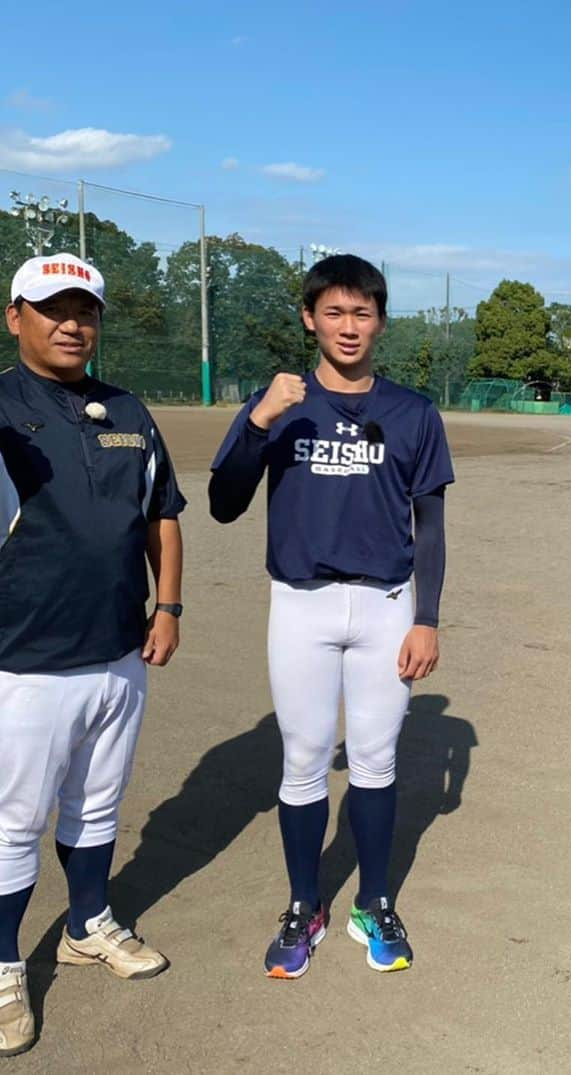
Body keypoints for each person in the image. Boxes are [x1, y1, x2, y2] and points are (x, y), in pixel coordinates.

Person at [208, 254, 453, 980]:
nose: (350, 327)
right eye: (335, 312)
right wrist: (259, 421)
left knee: (376, 759)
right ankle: (303, 903)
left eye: (364, 312)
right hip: (301, 604)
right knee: (305, 758)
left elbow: (430, 522)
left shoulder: (412, 411)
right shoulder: (279, 401)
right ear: (310, 318)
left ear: (380, 320)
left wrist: (427, 617)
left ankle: (372, 902)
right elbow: (223, 503)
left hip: (385, 606)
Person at [0, 254, 186, 1056]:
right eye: (52, 308)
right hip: (24, 659)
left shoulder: (128, 410)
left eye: (86, 310)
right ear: (15, 316)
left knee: (98, 806)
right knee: (13, 823)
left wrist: (169, 603)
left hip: (118, 650)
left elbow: (163, 514)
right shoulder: (2, 408)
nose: (72, 323)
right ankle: (3, 962)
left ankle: (86, 923)